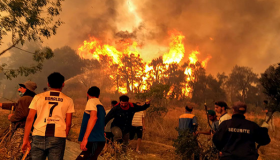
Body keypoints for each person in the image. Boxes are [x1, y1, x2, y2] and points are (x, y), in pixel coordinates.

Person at [21, 72, 75, 160]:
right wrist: (62, 137)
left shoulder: (38, 97)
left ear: (48, 84)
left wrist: (25, 139)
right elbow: (68, 123)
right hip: (58, 136)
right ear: (63, 84)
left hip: (38, 135)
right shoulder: (68, 100)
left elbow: (30, 118)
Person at [0, 81, 37, 160]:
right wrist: (2, 105)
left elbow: (22, 114)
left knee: (15, 153)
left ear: (26, 89)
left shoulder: (25, 99)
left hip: (22, 130)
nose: (18, 90)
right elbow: (17, 106)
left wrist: (12, 117)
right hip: (31, 130)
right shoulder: (32, 98)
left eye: (21, 88)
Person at [76, 86, 105, 160]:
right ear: (99, 96)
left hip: (93, 140)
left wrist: (85, 139)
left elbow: (93, 118)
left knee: (82, 158)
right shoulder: (100, 105)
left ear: (87, 94)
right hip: (98, 140)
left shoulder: (91, 101)